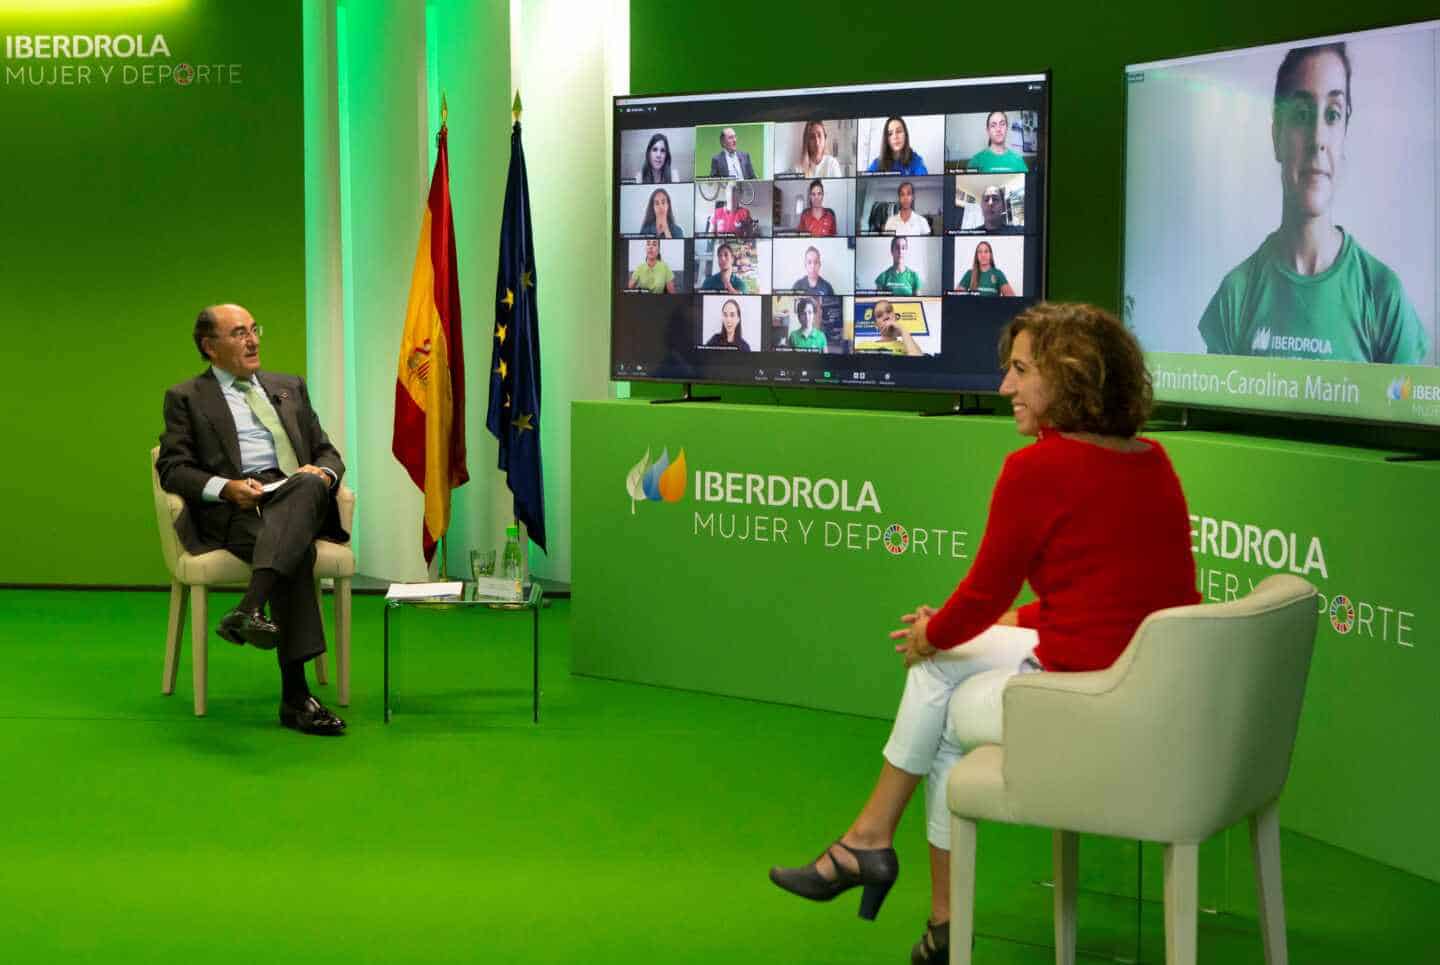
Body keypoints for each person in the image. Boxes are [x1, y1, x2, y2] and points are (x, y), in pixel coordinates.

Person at [769, 302, 1200, 964]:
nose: (1005, 388)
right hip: (1144, 686)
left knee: (935, 682)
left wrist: (933, 634)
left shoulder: (1037, 469)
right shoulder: (1153, 459)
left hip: (1085, 697)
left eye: (1021, 370)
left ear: (1070, 377)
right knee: (947, 665)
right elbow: (1110, 598)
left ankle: (882, 854)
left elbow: (981, 593)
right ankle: (903, 882)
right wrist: (982, 626)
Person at [156, 304, 350, 737]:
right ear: (210, 347)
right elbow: (173, 468)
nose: (253, 340)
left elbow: (326, 451)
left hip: (296, 492)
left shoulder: (289, 386)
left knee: (306, 484)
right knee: (292, 550)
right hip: (240, 505)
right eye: (239, 333)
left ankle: (248, 607)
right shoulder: (186, 397)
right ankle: (296, 698)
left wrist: (325, 474)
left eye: (254, 330)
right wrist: (226, 487)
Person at [1198, 42, 1428, 363]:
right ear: (1276, 134)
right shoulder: (1236, 295)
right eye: (1302, 114)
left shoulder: (1384, 296)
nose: (1318, 138)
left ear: (1344, 134)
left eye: (1332, 115)